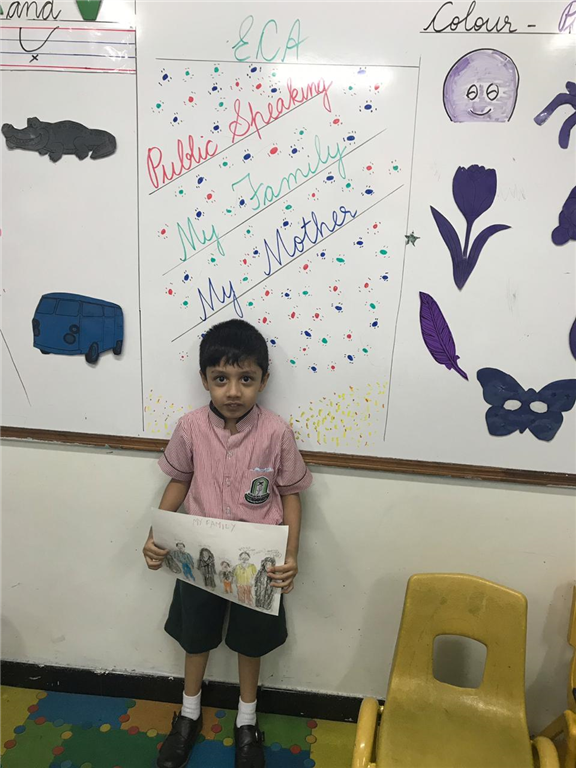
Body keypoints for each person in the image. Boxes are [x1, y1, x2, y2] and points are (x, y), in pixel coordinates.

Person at [142, 319, 312, 768]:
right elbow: (179, 480)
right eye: (221, 379)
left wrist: (291, 554)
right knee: (195, 637)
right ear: (204, 380)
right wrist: (157, 533)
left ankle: (246, 721)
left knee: (250, 644)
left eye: (246, 379)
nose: (233, 391)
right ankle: (189, 714)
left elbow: (290, 495)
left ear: (263, 380)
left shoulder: (276, 432)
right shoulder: (190, 428)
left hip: (258, 563)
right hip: (197, 556)